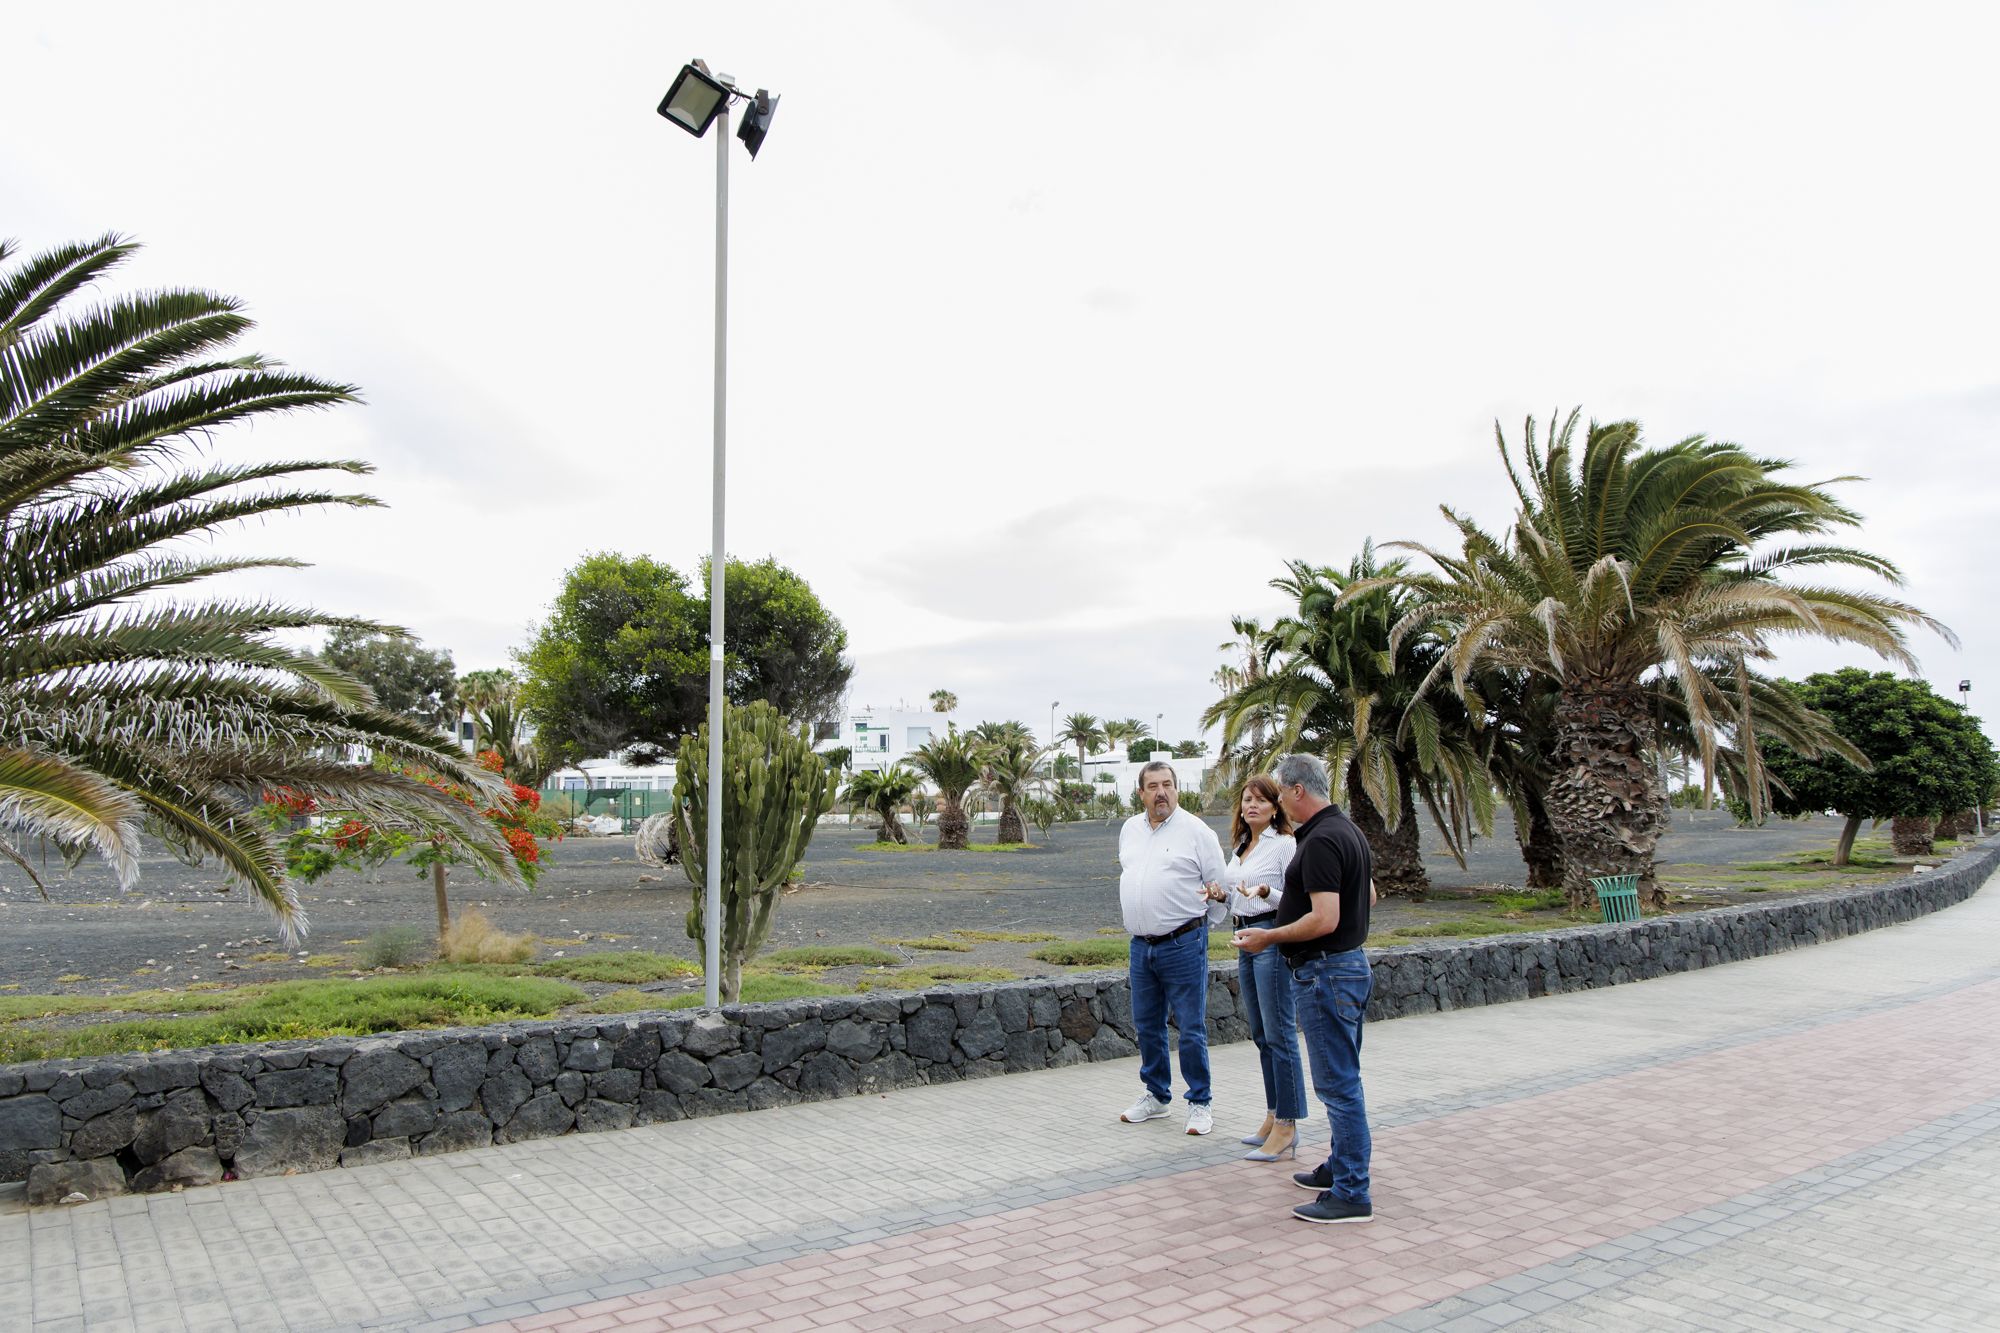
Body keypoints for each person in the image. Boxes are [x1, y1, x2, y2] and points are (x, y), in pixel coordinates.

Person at [1232, 752, 1377, 1224]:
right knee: (1343, 1079)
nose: (1280, 800)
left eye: (1281, 790)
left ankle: (1352, 1191)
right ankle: (1340, 1167)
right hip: (1347, 966)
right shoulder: (1347, 831)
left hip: (1326, 973)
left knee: (1338, 1086)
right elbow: (1369, 895)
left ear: (1297, 790)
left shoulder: (1318, 841)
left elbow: (1324, 918)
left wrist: (1269, 936)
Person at [1117, 759, 1228, 1135]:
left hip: (1183, 943)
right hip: (1141, 946)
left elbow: (1220, 889)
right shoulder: (1130, 829)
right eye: (1153, 786)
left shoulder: (1197, 831)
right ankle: (1157, 1096)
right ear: (1141, 792)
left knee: (1191, 1027)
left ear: (1177, 789)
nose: (1161, 792)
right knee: (1147, 1025)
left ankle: (1200, 1102)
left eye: (1167, 784)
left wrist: (1198, 929)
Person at [1220, 775, 1304, 1162]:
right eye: (1246, 799)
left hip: (1270, 936)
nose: (1251, 805)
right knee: (1260, 1034)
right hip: (1244, 938)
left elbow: (1302, 900)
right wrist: (1220, 894)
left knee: (1279, 1033)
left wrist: (1269, 892)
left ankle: (1288, 1123)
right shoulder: (1241, 847)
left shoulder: (1285, 846)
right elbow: (1232, 895)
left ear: (1275, 806)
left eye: (1260, 800)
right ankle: (1273, 1115)